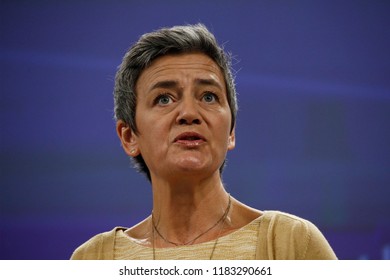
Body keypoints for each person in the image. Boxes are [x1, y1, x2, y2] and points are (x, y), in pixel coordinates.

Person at [71, 24, 337, 260]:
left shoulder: (290, 244)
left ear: (231, 131)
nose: (189, 113)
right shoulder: (94, 259)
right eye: (164, 98)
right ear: (129, 136)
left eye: (208, 97)